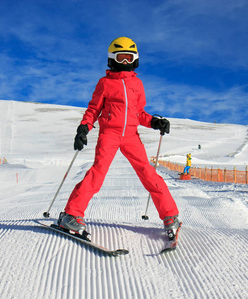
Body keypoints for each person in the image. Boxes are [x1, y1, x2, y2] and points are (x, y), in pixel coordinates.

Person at [56, 37, 180, 239]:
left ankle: (170, 216)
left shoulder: (137, 84)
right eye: (120, 58)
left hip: (131, 135)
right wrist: (83, 128)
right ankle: (71, 215)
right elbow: (94, 109)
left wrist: (155, 122)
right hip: (109, 134)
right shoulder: (104, 83)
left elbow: (139, 113)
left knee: (149, 174)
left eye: (128, 57)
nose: (124, 62)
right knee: (97, 173)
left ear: (135, 59)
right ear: (112, 58)